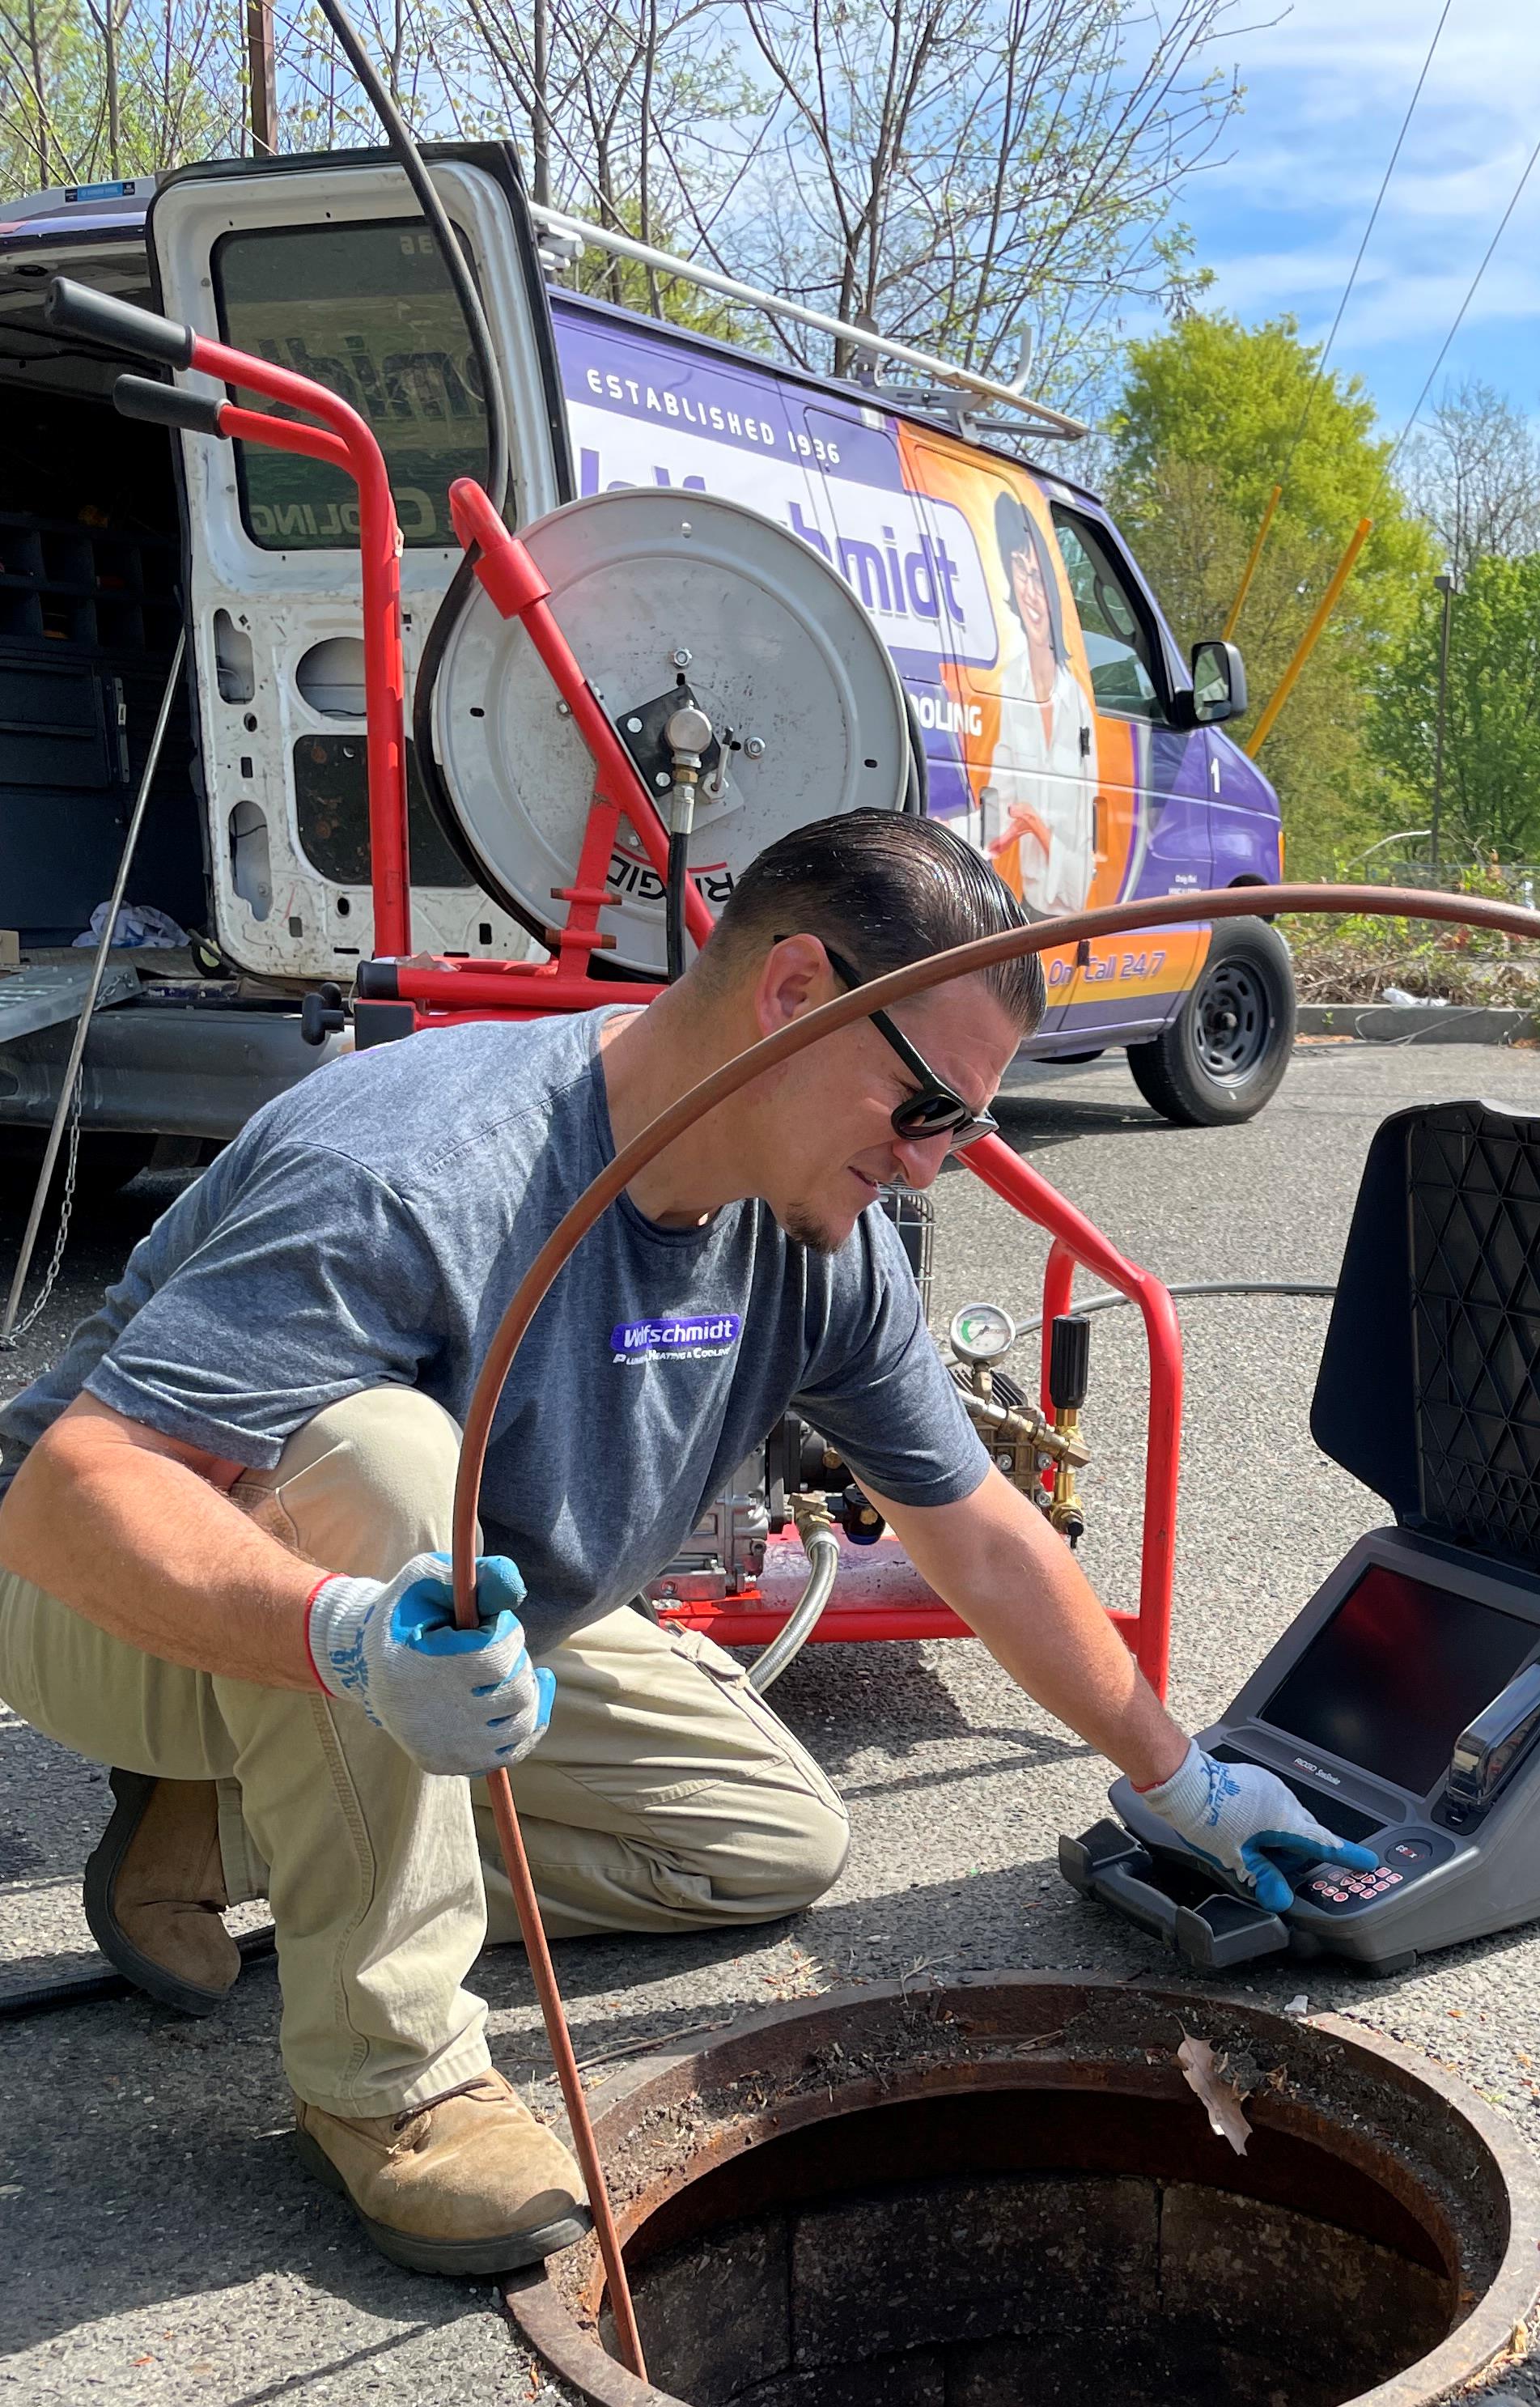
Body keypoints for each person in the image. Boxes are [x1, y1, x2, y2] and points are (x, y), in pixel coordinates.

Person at [0, 812, 1364, 2281]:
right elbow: (73, 1492)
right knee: (391, 1463)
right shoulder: (424, 1163)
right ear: (793, 993)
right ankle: (393, 2084)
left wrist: (1178, 1777)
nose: (937, 1165)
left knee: (763, 1842)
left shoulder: (813, 1233)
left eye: (968, 1129)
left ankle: (229, 1818)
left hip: (442, 1635)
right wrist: (342, 1640)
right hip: (114, 1596)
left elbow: (969, 1523)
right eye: (928, 1111)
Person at [974, 494, 1097, 914]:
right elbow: (997, 806)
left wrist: (1038, 829)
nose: (1030, 590)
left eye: (1038, 574)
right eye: (1020, 572)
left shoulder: (1077, 702)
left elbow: (1083, 866)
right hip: (1027, 911)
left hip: (1064, 917)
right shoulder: (1012, 683)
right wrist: (945, 834)